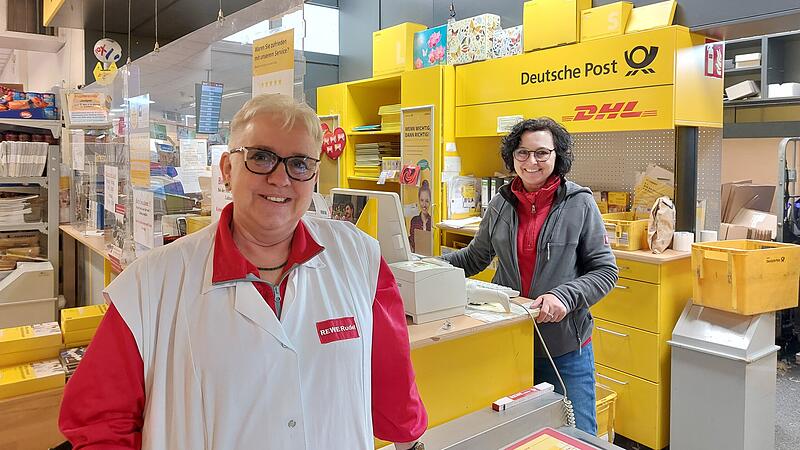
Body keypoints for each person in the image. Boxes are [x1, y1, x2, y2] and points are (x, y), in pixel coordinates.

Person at [59, 94, 427, 450]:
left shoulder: (359, 256)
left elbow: (393, 390)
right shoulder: (149, 284)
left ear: (314, 175)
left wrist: (409, 439)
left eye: (299, 163)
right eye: (262, 157)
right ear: (227, 169)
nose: (281, 178)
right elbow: (99, 423)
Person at [441, 117, 618, 435]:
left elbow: (605, 271)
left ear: (557, 157)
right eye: (522, 153)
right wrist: (427, 269)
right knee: (518, 434)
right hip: (509, 342)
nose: (531, 161)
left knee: (577, 434)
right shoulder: (499, 205)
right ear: (512, 157)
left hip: (565, 347)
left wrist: (564, 296)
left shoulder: (580, 204)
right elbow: (474, 258)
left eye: (541, 153)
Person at [408, 179, 432, 252]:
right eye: (422, 200)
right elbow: (412, 243)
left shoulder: (432, 222)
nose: (424, 205)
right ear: (418, 200)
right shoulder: (414, 221)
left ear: (431, 202)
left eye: (427, 201)